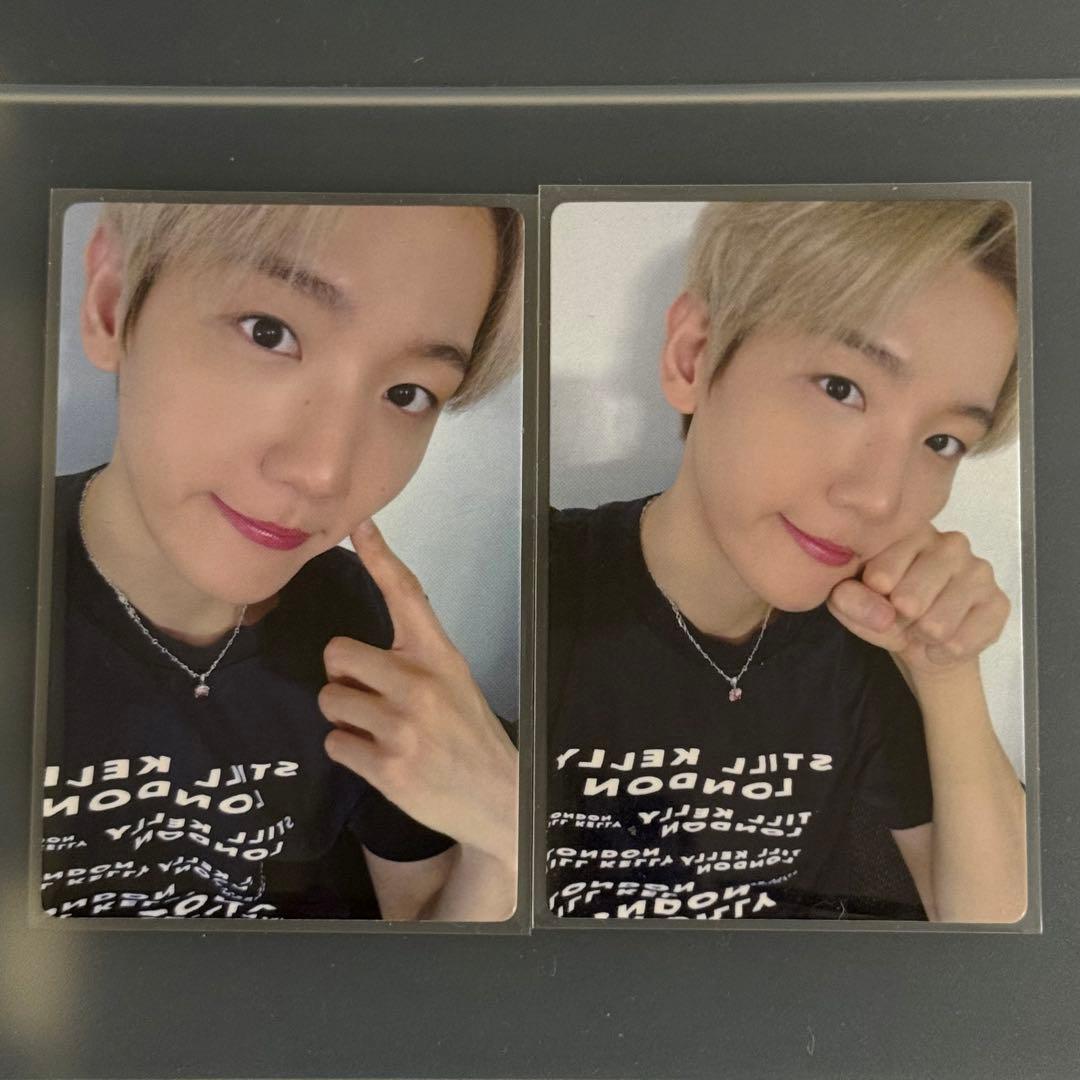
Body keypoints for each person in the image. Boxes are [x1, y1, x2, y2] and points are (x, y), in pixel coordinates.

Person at [546, 199, 1027, 922]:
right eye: (842, 389)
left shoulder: (875, 631)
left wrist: (947, 674)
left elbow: (1002, 948)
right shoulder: (541, 582)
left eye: (941, 442)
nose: (880, 498)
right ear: (693, 356)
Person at [41, 201, 522, 920]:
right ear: (112, 303)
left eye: (407, 393)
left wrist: (507, 834)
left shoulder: (356, 625)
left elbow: (424, 929)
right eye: (269, 332)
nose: (325, 473)